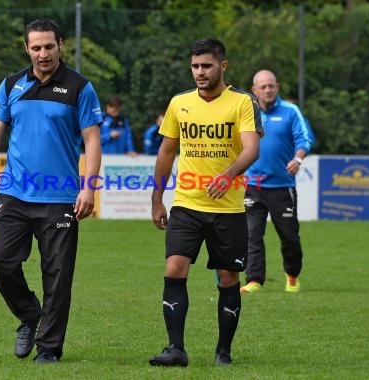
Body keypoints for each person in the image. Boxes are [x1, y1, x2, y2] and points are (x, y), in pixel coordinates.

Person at [0, 19, 102, 364]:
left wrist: (89, 187)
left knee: (57, 276)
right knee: (0, 260)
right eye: (36, 47)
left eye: (49, 46)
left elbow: (92, 140)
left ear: (60, 45)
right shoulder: (11, 84)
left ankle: (49, 348)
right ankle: (30, 315)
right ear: (27, 48)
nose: (43, 53)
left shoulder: (79, 87)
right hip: (13, 193)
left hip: (60, 197)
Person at [149, 38, 262, 367]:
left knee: (228, 277)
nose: (200, 72)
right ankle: (175, 349)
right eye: (195, 66)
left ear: (222, 66)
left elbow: (251, 148)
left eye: (207, 66)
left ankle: (223, 351)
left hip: (228, 209)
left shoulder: (242, 102)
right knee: (174, 268)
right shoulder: (179, 103)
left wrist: (228, 175)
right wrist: (157, 198)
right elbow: (166, 153)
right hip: (186, 204)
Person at [240, 69, 313, 295]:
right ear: (254, 90)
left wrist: (298, 158)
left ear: (277, 87)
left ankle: (292, 275)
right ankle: (254, 280)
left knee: (289, 237)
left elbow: (305, 138)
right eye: (262, 86)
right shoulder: (246, 112)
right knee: (252, 236)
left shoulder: (291, 111)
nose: (267, 90)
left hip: (282, 187)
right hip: (253, 185)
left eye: (271, 85)